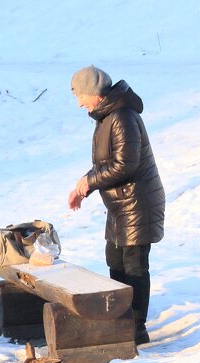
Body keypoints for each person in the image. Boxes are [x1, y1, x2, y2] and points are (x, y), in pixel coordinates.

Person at [67, 65, 164, 345]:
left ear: (95, 93)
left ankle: (135, 330)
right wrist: (83, 185)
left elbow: (125, 165)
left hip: (137, 203)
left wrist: (88, 182)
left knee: (133, 266)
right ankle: (122, 324)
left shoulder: (121, 116)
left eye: (81, 96)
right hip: (121, 206)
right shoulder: (106, 117)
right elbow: (106, 164)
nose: (79, 103)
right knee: (115, 262)